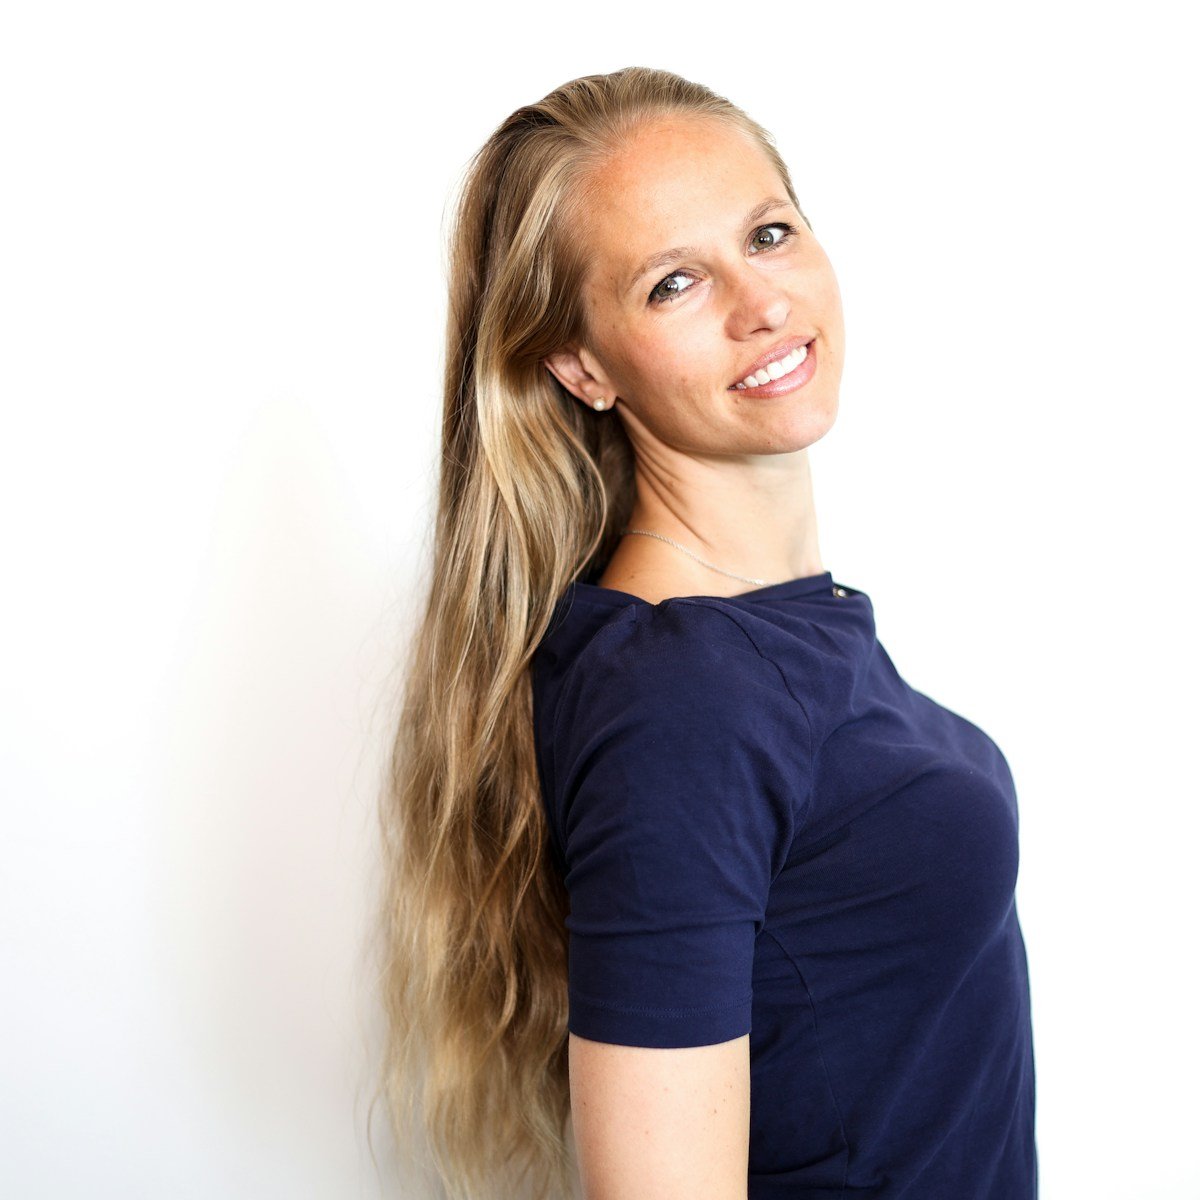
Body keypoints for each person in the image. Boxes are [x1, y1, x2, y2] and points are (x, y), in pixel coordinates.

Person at [374, 66, 1038, 1200]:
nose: (760, 302)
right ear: (581, 365)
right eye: (674, 282)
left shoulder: (766, 638)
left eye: (769, 234)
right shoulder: (684, 699)